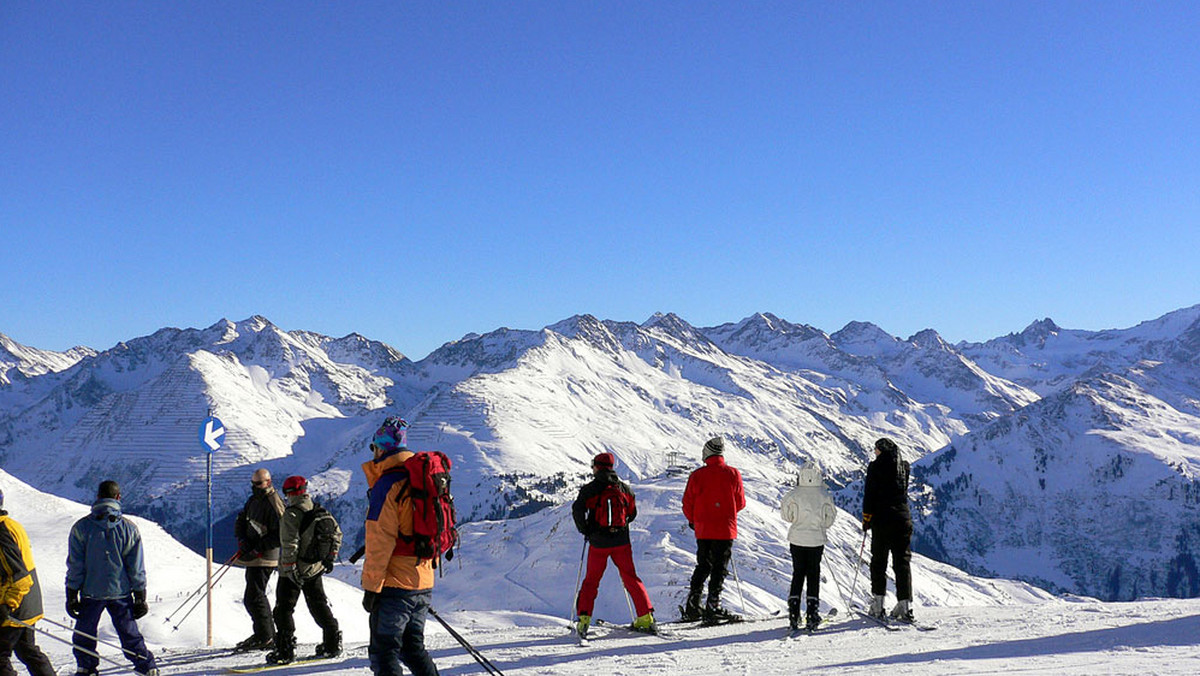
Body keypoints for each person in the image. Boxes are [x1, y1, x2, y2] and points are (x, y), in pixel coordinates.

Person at [361, 416, 439, 676]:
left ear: (382, 448)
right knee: (413, 649)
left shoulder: (388, 484)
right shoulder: (421, 478)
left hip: (395, 585)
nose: (373, 454)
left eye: (374, 448)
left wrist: (372, 587)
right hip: (423, 579)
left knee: (384, 654)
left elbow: (379, 540)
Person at [65, 480, 158, 676]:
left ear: (98, 497)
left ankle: (86, 667)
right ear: (118, 497)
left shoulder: (81, 528)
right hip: (120, 592)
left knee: (84, 633)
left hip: (91, 592)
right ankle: (146, 667)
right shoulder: (129, 528)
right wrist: (140, 595)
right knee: (129, 633)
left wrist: (72, 593)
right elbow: (136, 566)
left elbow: (76, 565)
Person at [571, 452, 655, 637]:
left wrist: (586, 529)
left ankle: (584, 621)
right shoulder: (624, 488)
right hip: (621, 542)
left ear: (597, 467)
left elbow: (577, 510)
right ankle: (645, 617)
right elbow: (632, 514)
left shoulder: (590, 489)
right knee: (631, 578)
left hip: (598, 542)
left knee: (591, 581)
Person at [265, 476, 342, 665]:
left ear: (288, 493)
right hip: (315, 567)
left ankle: (285, 651)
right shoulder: (320, 510)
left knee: (283, 609)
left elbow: (289, 544)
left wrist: (289, 568)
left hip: (293, 570)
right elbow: (337, 534)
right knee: (318, 604)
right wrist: (329, 558)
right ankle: (332, 643)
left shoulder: (291, 514)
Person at [680, 437, 746, 623]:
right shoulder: (733, 474)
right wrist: (727, 511)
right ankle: (713, 606)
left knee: (703, 565)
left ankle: (693, 606)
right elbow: (740, 502)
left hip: (703, 529)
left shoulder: (697, 475)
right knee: (719, 567)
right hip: (725, 528)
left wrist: (695, 520)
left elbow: (687, 503)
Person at [0, 487, 56, 676]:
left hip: (15, 604)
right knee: (27, 650)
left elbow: (20, 577)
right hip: (27, 603)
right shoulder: (11, 524)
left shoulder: (1, 533)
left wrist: (7, 605)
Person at [780, 461, 838, 631]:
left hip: (797, 539)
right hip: (816, 540)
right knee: (813, 574)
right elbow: (830, 518)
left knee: (798, 573)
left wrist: (797, 520)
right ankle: (812, 614)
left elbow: (786, 515)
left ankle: (794, 613)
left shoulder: (793, 494)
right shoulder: (824, 494)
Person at [862, 437, 914, 622]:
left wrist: (866, 518)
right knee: (902, 562)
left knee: (879, 562)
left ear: (881, 451)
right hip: (903, 519)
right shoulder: (904, 467)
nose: (874, 452)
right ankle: (905, 604)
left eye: (876, 449)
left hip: (882, 519)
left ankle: (878, 604)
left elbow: (870, 494)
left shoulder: (875, 467)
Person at [233, 468, 285, 653]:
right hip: (254, 555)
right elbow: (243, 518)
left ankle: (266, 636)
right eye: (254, 483)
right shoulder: (254, 499)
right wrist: (242, 539)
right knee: (253, 596)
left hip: (265, 556)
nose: (255, 486)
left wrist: (256, 547)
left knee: (255, 596)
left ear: (268, 482)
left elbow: (280, 533)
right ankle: (265, 633)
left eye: (259, 483)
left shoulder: (273, 501)